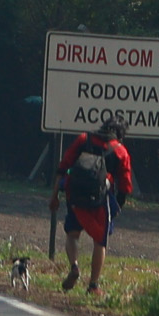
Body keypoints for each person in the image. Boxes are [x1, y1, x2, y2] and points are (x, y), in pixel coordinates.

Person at [52, 119, 133, 294]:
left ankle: (74, 266)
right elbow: (125, 186)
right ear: (120, 135)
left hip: (75, 196)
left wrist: (54, 196)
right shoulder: (120, 151)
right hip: (100, 201)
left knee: (72, 235)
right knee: (99, 242)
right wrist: (117, 206)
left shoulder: (84, 139)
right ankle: (93, 285)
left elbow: (63, 166)